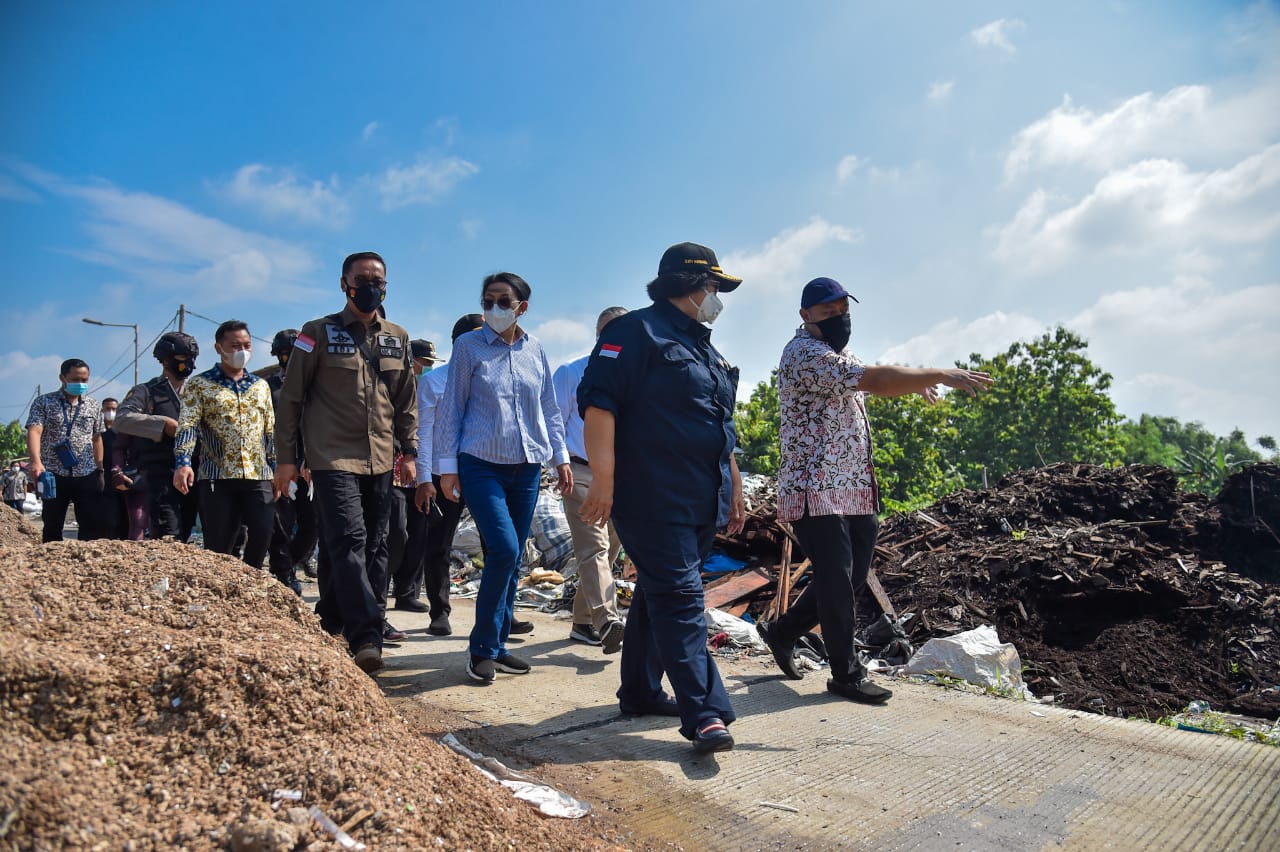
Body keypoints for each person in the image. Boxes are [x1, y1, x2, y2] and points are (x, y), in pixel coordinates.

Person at [756, 277, 993, 704]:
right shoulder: (804, 355)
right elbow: (876, 379)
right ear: (805, 315)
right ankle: (845, 673)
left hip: (853, 486)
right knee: (835, 576)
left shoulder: (840, 355)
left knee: (849, 573)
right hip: (814, 486)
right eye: (830, 312)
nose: (840, 318)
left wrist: (912, 383)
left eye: (845, 309)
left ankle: (782, 631)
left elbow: (878, 377)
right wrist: (939, 372)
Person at [577, 242, 746, 754]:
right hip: (650, 495)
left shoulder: (706, 347)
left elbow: (722, 427)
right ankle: (706, 712)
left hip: (700, 497)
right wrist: (603, 480)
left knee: (657, 596)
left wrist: (734, 488)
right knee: (680, 599)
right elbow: (598, 406)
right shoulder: (634, 332)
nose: (716, 297)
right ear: (688, 285)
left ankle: (639, 691)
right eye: (712, 287)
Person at [273, 251, 418, 675]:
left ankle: (331, 618)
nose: (371, 286)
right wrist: (287, 460)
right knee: (347, 541)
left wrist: (409, 452)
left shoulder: (397, 336)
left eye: (379, 280)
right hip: (331, 456)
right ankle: (367, 634)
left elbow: (406, 400)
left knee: (377, 544)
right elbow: (292, 399)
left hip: (381, 457)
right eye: (363, 279)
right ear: (344, 284)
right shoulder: (315, 333)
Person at [434, 273, 572, 684]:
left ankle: (497, 645)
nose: (495, 307)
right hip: (480, 463)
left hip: (527, 467)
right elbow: (452, 408)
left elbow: (548, 408)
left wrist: (560, 457)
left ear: (522, 307)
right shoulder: (468, 347)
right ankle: (479, 649)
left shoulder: (536, 350)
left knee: (510, 561)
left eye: (504, 300)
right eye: (488, 300)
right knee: (505, 549)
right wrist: (445, 468)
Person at [552, 306, 629, 653]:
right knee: (593, 545)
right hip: (579, 470)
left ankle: (583, 622)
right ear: (597, 334)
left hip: (621, 474)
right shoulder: (572, 372)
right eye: (607, 332)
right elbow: (553, 420)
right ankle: (607, 620)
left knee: (609, 550)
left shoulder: (637, 375)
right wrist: (559, 463)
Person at [173, 320, 276, 568]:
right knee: (220, 544)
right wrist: (183, 463)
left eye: (246, 345)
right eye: (235, 345)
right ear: (219, 348)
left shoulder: (260, 386)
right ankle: (221, 592)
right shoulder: (200, 385)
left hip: (258, 474)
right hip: (217, 477)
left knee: (263, 532)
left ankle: (250, 579)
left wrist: (276, 467)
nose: (242, 351)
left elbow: (270, 430)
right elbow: (188, 426)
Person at [412, 317, 483, 637]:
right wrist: (424, 480)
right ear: (459, 342)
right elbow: (423, 435)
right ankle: (439, 612)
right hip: (443, 475)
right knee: (438, 545)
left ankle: (498, 616)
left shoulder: (488, 381)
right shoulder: (434, 382)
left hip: (484, 473)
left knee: (497, 546)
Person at [115, 332, 201, 541]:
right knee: (168, 533)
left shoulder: (197, 392)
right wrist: (163, 425)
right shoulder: (147, 391)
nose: (188, 364)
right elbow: (123, 419)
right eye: (182, 358)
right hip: (159, 473)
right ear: (165, 360)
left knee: (187, 530)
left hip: (194, 471)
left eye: (192, 359)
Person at [387, 339, 447, 621]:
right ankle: (382, 584)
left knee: (421, 535)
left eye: (430, 365)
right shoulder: (393, 388)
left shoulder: (434, 389)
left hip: (424, 473)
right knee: (396, 533)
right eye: (423, 363)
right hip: (395, 472)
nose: (426, 369)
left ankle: (407, 593)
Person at [25, 358, 106, 542]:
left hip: (86, 472)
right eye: (76, 379)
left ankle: (86, 564)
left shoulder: (93, 405)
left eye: (84, 380)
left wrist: (100, 469)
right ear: (62, 378)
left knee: (90, 525)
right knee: (52, 525)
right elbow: (35, 431)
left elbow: (97, 438)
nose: (80, 384)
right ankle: (50, 565)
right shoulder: (44, 402)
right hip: (54, 473)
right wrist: (36, 461)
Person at [266, 328, 318, 594]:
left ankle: (292, 561)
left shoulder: (313, 385)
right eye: (285, 354)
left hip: (307, 465)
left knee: (312, 524)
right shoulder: (267, 388)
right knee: (281, 525)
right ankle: (283, 573)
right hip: (277, 464)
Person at [99, 397, 128, 538]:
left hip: (123, 480)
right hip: (107, 483)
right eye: (108, 409)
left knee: (125, 521)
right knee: (110, 521)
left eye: (114, 409)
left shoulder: (125, 433)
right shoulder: (100, 436)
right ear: (102, 410)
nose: (111, 412)